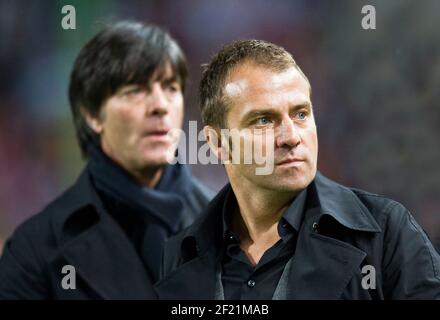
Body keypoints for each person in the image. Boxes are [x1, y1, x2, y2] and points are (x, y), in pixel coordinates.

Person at [154, 39, 440, 299]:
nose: (291, 136)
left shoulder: (386, 233)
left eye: (301, 114)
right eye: (264, 120)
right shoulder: (179, 255)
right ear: (217, 143)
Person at [0, 21, 214, 299]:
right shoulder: (36, 250)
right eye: (135, 91)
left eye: (171, 87)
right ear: (92, 114)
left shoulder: (235, 228)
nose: (160, 105)